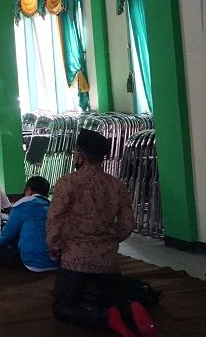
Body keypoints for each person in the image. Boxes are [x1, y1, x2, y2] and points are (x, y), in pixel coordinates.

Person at [47, 130, 153, 336]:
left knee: (63, 308)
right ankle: (128, 308)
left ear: (80, 156)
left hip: (73, 259)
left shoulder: (68, 182)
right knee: (109, 297)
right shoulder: (115, 185)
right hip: (107, 261)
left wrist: (54, 245)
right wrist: (109, 240)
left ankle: (106, 318)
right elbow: (127, 223)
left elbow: (55, 218)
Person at [0, 175, 57, 272]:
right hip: (55, 261)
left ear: (28, 190)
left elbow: (7, 235)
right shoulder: (52, 206)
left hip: (33, 262)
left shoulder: (23, 205)